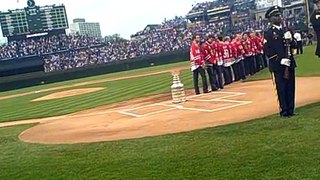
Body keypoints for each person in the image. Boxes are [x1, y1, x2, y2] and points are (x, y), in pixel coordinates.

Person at [264, 6, 297, 118]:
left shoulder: (286, 30)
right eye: (276, 16)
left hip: (290, 63)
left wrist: (291, 39)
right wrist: (280, 60)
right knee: (281, 88)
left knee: (290, 87)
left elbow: (294, 46)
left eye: (279, 15)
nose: (279, 17)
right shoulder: (268, 33)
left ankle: (291, 109)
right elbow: (268, 50)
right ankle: (284, 110)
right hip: (278, 65)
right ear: (270, 19)